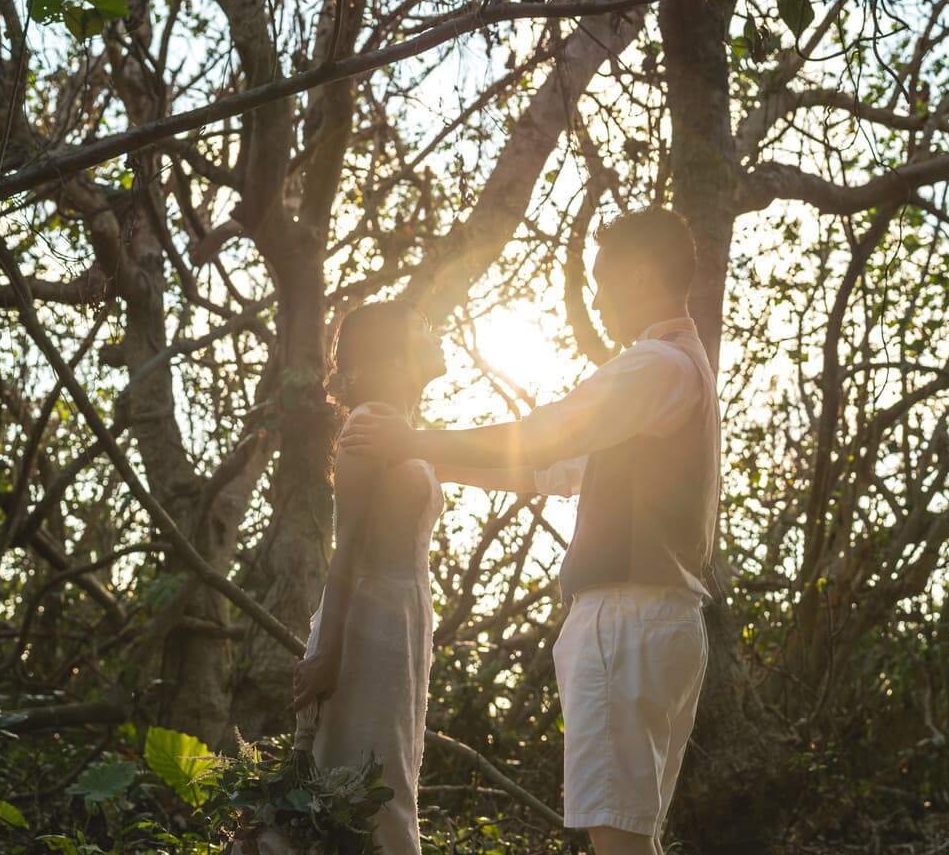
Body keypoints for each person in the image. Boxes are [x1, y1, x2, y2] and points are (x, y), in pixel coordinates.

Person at [342, 207, 721, 855]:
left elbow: (550, 432)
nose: (597, 300)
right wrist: (424, 456)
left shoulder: (655, 365)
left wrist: (414, 437)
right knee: (631, 834)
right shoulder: (679, 368)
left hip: (625, 619)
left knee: (618, 839)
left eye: (602, 281)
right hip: (658, 621)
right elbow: (551, 468)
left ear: (637, 274)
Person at [290, 300, 446, 855]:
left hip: (402, 628)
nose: (436, 332)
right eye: (423, 327)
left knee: (386, 782)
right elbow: (347, 546)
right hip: (366, 632)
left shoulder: (405, 431)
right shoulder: (367, 425)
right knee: (368, 795)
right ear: (392, 352)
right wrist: (328, 649)